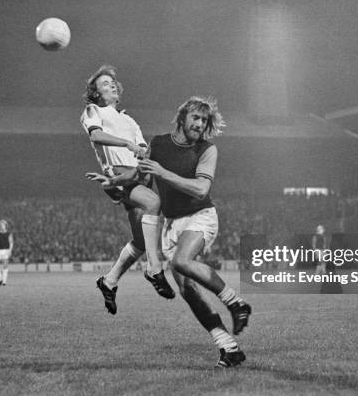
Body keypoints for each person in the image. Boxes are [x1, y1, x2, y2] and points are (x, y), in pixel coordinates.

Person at [138, 96, 252, 368]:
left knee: (181, 262)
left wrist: (162, 173)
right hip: (171, 223)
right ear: (182, 117)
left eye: (204, 120)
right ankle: (229, 347)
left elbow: (201, 189)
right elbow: (144, 179)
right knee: (187, 290)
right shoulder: (158, 143)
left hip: (200, 216)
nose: (200, 124)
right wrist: (119, 180)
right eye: (196, 118)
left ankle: (236, 303)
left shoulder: (206, 150)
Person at [81, 64, 175, 314]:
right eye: (104, 84)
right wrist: (126, 144)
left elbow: (142, 151)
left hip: (138, 175)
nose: (110, 85)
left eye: (112, 82)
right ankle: (155, 270)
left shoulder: (130, 120)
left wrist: (145, 154)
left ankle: (109, 282)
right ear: (96, 93)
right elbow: (96, 137)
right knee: (154, 204)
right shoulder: (93, 110)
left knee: (141, 242)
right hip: (119, 174)